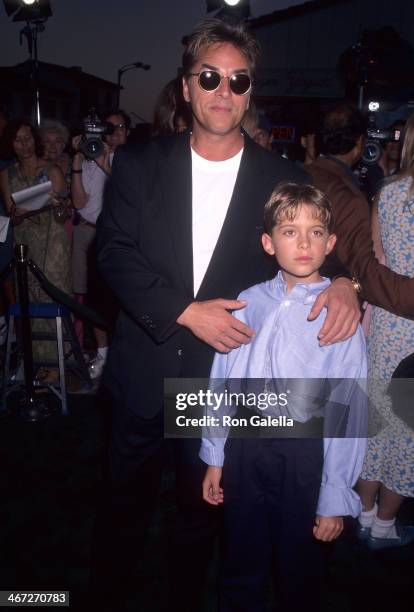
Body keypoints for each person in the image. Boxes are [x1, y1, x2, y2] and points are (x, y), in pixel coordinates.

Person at [94, 18, 360, 612]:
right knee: (121, 513)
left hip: (216, 385)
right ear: (186, 87)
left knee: (199, 520)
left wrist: (346, 283)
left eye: (238, 81)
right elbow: (111, 250)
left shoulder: (281, 177)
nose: (223, 91)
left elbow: (317, 244)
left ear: (249, 93)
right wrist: (185, 312)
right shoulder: (140, 164)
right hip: (144, 365)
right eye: (209, 77)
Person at [200, 183, 367, 612]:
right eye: (290, 231)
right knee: (240, 554)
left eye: (315, 232)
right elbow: (224, 381)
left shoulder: (338, 310)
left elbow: (347, 405)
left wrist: (334, 492)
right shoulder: (248, 301)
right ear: (268, 242)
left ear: (330, 243)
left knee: (301, 564)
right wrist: (215, 455)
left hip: (304, 454)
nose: (304, 243)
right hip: (246, 448)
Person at [356, 113, 414, 550]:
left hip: (387, 323)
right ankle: (383, 527)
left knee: (377, 420)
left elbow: (376, 261)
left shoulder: (389, 192)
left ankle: (363, 513)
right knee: (409, 432)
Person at [309, 104, 414, 317]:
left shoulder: (303, 174)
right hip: (331, 306)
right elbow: (362, 269)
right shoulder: (347, 195)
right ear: (359, 143)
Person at [0, 120, 70, 377]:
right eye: (18, 140)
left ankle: (59, 361)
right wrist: (24, 210)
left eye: (28, 137)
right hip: (25, 241)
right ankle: (38, 361)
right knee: (29, 297)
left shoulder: (51, 169)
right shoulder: (7, 174)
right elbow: (12, 213)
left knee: (53, 294)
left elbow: (63, 204)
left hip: (53, 241)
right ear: (11, 144)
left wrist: (46, 204)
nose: (25, 144)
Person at [71, 109, 130, 377]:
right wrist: (79, 158)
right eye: (110, 127)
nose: (114, 132)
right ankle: (101, 355)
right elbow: (79, 203)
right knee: (92, 297)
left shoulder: (132, 162)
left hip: (118, 238)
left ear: (127, 132)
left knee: (118, 298)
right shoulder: (89, 160)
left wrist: (105, 160)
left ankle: (120, 356)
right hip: (88, 232)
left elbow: (125, 190)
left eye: (120, 128)